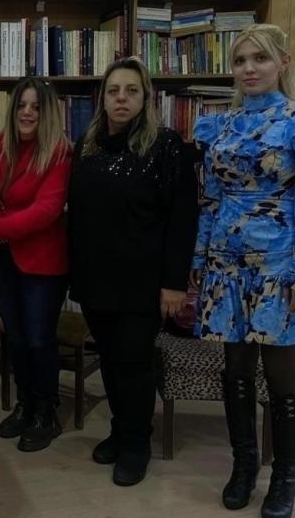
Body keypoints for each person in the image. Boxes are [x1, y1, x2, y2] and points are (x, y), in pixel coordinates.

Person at [190, 24, 295, 518]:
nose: (249, 69)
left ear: (282, 62)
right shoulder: (218, 126)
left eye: (259, 58)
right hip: (226, 267)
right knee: (235, 369)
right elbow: (210, 201)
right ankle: (243, 467)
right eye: (240, 61)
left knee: (281, 373)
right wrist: (199, 259)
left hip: (280, 268)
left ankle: (286, 476)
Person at [67, 57, 198, 486]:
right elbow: (78, 214)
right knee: (108, 359)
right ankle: (119, 430)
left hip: (143, 281)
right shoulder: (87, 144)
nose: (121, 98)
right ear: (102, 98)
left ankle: (137, 443)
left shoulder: (165, 145)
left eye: (131, 91)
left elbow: (182, 219)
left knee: (134, 363)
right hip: (96, 278)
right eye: (113, 91)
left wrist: (174, 283)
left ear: (146, 98)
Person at [0, 77, 71, 452]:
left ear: (48, 112)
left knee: (39, 339)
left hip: (42, 261)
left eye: (36, 107)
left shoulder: (59, 152)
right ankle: (25, 404)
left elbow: (47, 210)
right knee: (17, 338)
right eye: (21, 105)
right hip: (1, 257)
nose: (27, 113)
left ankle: (47, 410)